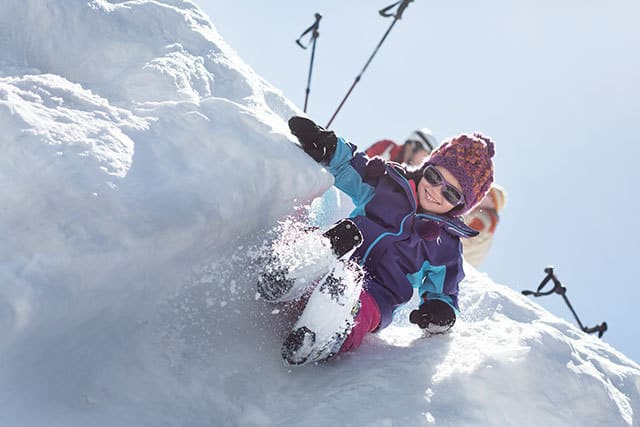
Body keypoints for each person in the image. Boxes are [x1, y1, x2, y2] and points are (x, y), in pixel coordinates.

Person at [262, 116, 495, 365]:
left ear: (460, 206)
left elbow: (445, 291)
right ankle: (289, 272)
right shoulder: (390, 184)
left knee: (358, 308)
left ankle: (322, 333)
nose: (436, 191)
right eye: (435, 177)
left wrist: (440, 311)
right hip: (340, 252)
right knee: (343, 234)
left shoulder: (446, 244)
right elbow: (350, 164)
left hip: (375, 295)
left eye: (450, 192)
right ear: (426, 167)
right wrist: (327, 145)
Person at [461, 184, 507, 268]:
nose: (482, 195)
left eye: (487, 194)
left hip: (459, 259)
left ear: (493, 203)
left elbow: (464, 236)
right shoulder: (481, 214)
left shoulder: (484, 217)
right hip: (465, 262)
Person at [365, 128, 438, 167]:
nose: (421, 163)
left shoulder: (408, 176)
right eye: (423, 158)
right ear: (413, 146)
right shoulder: (388, 147)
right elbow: (362, 164)